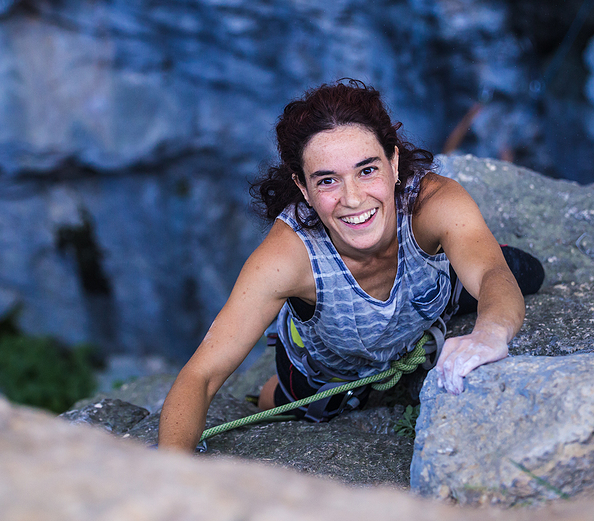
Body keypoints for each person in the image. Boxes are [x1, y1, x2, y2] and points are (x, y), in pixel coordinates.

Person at [158, 80, 543, 452]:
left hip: (428, 299)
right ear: (304, 188)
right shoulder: (287, 258)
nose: (354, 198)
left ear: (393, 163)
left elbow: (494, 275)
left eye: (367, 170)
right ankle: (276, 384)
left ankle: (461, 256)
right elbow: (201, 376)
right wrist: (172, 477)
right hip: (331, 368)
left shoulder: (432, 203)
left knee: (521, 273)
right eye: (327, 181)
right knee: (292, 405)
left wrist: (489, 334)